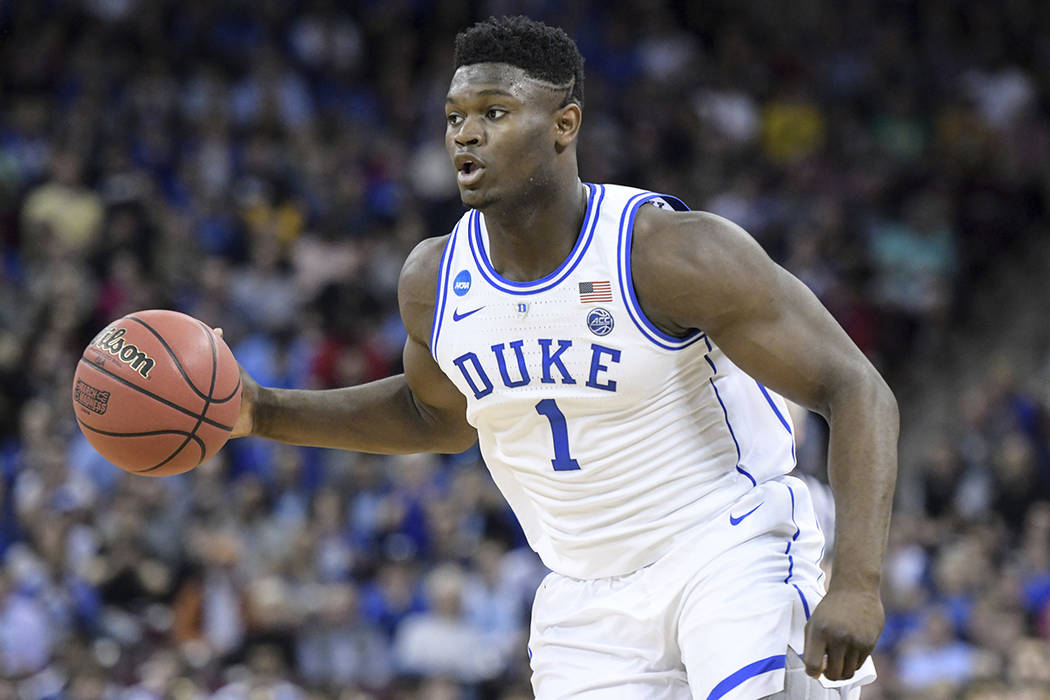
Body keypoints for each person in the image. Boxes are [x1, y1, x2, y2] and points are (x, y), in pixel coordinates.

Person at [226, 16, 898, 699]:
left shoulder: (667, 252)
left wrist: (857, 585)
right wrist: (262, 411)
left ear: (563, 124)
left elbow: (854, 387)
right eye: (455, 116)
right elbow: (439, 418)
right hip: (584, 596)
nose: (466, 132)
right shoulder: (433, 280)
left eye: (495, 112)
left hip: (725, 549)